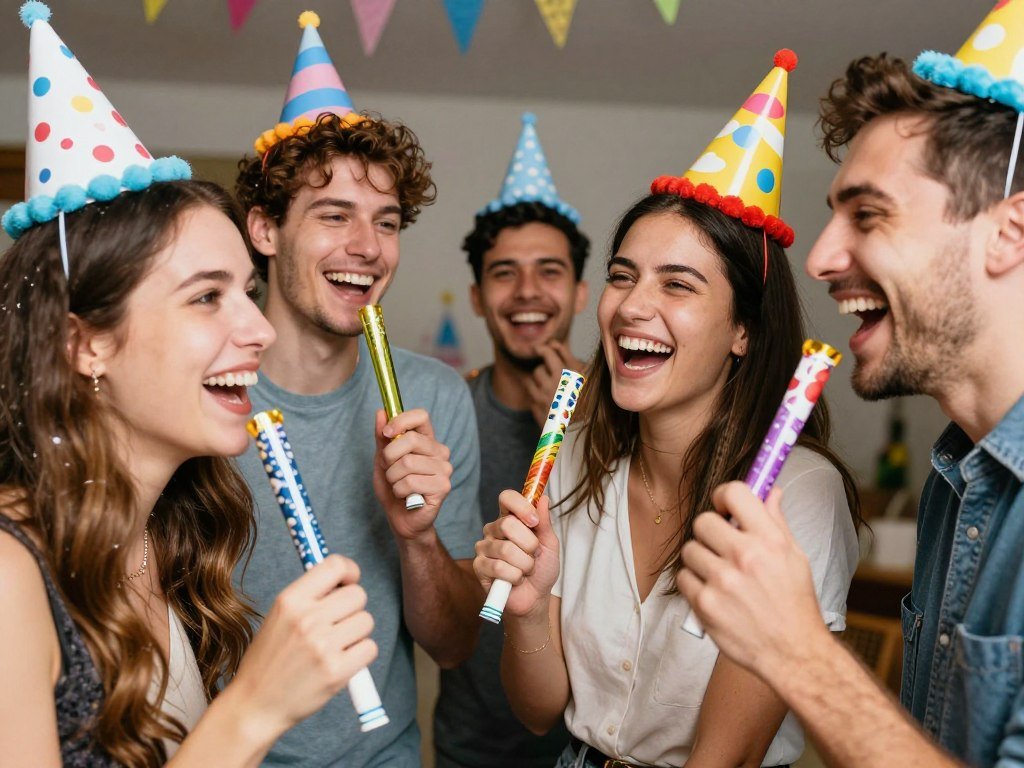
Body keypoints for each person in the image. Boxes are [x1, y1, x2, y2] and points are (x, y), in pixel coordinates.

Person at [0, 6, 377, 765]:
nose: (259, 329)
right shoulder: (10, 576)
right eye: (207, 296)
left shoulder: (171, 537)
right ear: (86, 343)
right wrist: (254, 708)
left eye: (248, 291)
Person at [474, 52, 862, 768]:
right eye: (623, 276)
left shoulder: (797, 494)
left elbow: (725, 757)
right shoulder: (570, 461)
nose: (632, 307)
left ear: (743, 330)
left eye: (677, 285)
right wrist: (526, 606)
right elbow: (538, 712)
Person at [678, 6, 1024, 768]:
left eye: (867, 215)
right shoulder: (956, 481)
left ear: (1009, 233)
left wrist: (797, 650)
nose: (821, 258)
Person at [233, 12, 483, 767]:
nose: (367, 248)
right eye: (334, 215)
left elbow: (455, 644)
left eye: (387, 222)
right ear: (265, 230)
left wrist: (418, 537)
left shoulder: (435, 397)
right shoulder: (201, 395)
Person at [434, 113, 588, 768]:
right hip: (472, 746)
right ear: (476, 296)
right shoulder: (448, 415)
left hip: (593, 746)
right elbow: (444, 608)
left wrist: (585, 429)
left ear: (581, 293)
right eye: (504, 273)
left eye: (549, 271)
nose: (528, 292)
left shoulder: (632, 415)